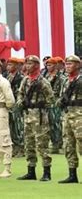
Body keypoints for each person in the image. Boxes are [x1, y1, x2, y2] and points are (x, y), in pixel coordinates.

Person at [15, 55, 55, 181]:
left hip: (39, 115)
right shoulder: (25, 80)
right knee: (29, 143)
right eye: (26, 63)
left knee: (42, 143)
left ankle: (46, 172)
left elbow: (51, 99)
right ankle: (31, 171)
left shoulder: (43, 81)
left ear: (37, 65)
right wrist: (20, 102)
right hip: (27, 115)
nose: (27, 66)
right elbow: (20, 93)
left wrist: (42, 106)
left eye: (30, 63)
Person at [58, 55, 82, 183]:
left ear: (78, 65)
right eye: (66, 64)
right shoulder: (66, 81)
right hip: (67, 115)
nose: (67, 66)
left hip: (79, 115)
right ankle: (72, 174)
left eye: (70, 64)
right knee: (68, 144)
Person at [43, 57, 66, 154]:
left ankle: (58, 144)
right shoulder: (46, 76)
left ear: (56, 65)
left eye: (50, 65)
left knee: (57, 123)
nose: (48, 67)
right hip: (47, 103)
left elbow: (62, 91)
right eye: (47, 65)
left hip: (56, 102)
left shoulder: (61, 77)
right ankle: (54, 143)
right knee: (50, 124)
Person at [5, 58, 25, 158]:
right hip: (9, 105)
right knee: (11, 128)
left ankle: (21, 148)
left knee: (18, 127)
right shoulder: (7, 77)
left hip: (17, 105)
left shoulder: (21, 77)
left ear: (17, 66)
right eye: (8, 65)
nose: (8, 66)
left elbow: (21, 92)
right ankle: (15, 147)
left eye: (11, 65)